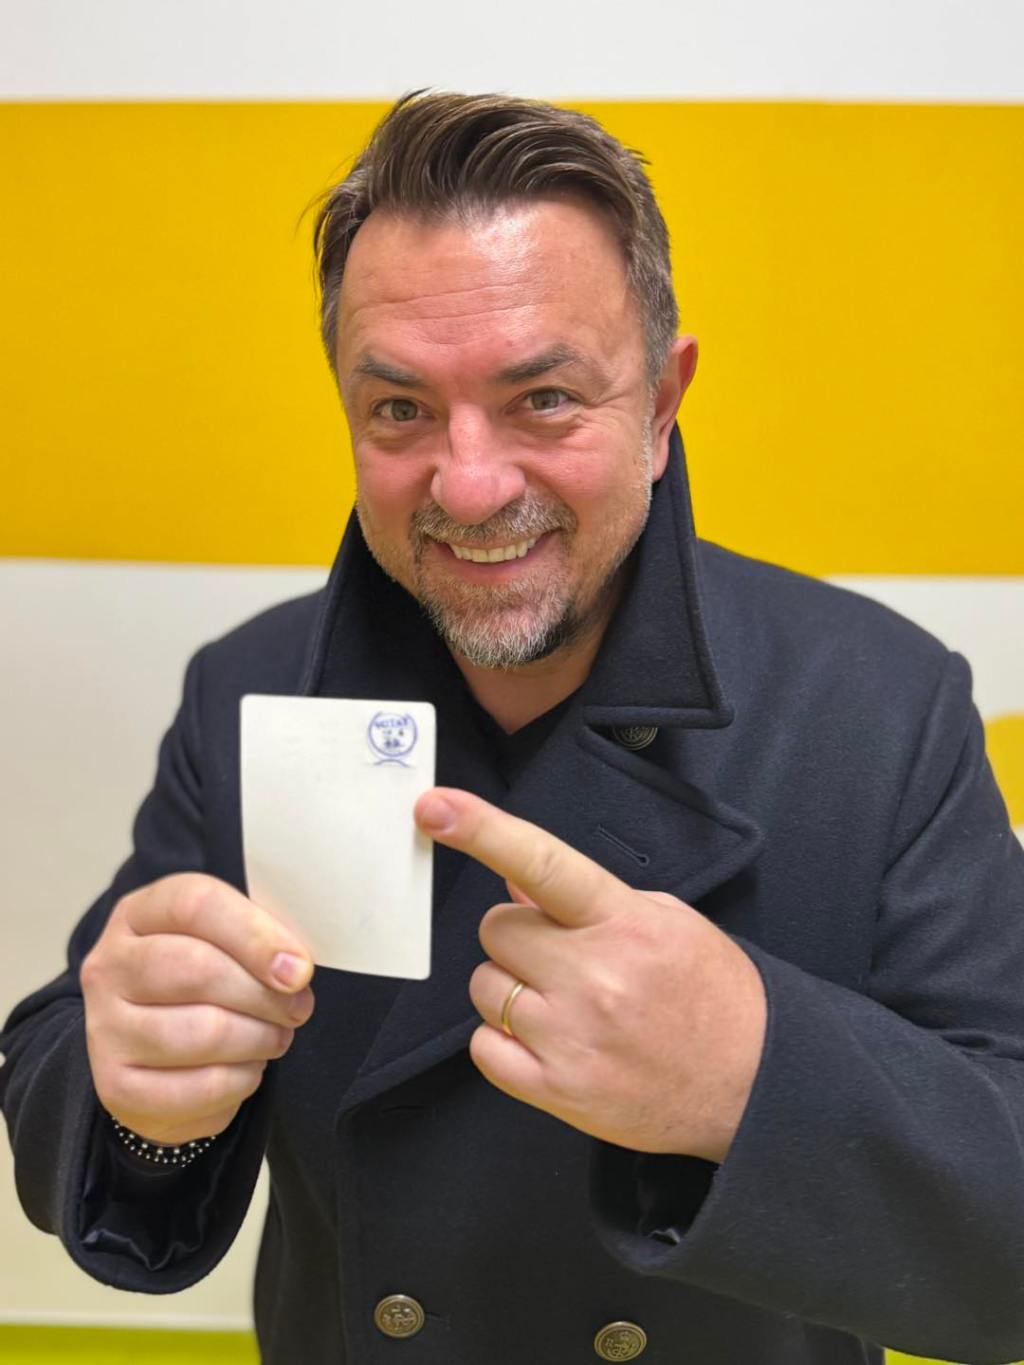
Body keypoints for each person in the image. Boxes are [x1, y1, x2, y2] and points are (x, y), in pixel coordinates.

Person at [3, 90, 1024, 1365]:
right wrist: (146, 1102)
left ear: (662, 404)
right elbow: (71, 1066)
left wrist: (749, 1076)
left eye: (542, 398)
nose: (471, 485)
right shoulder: (256, 687)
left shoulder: (877, 704)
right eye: (400, 410)